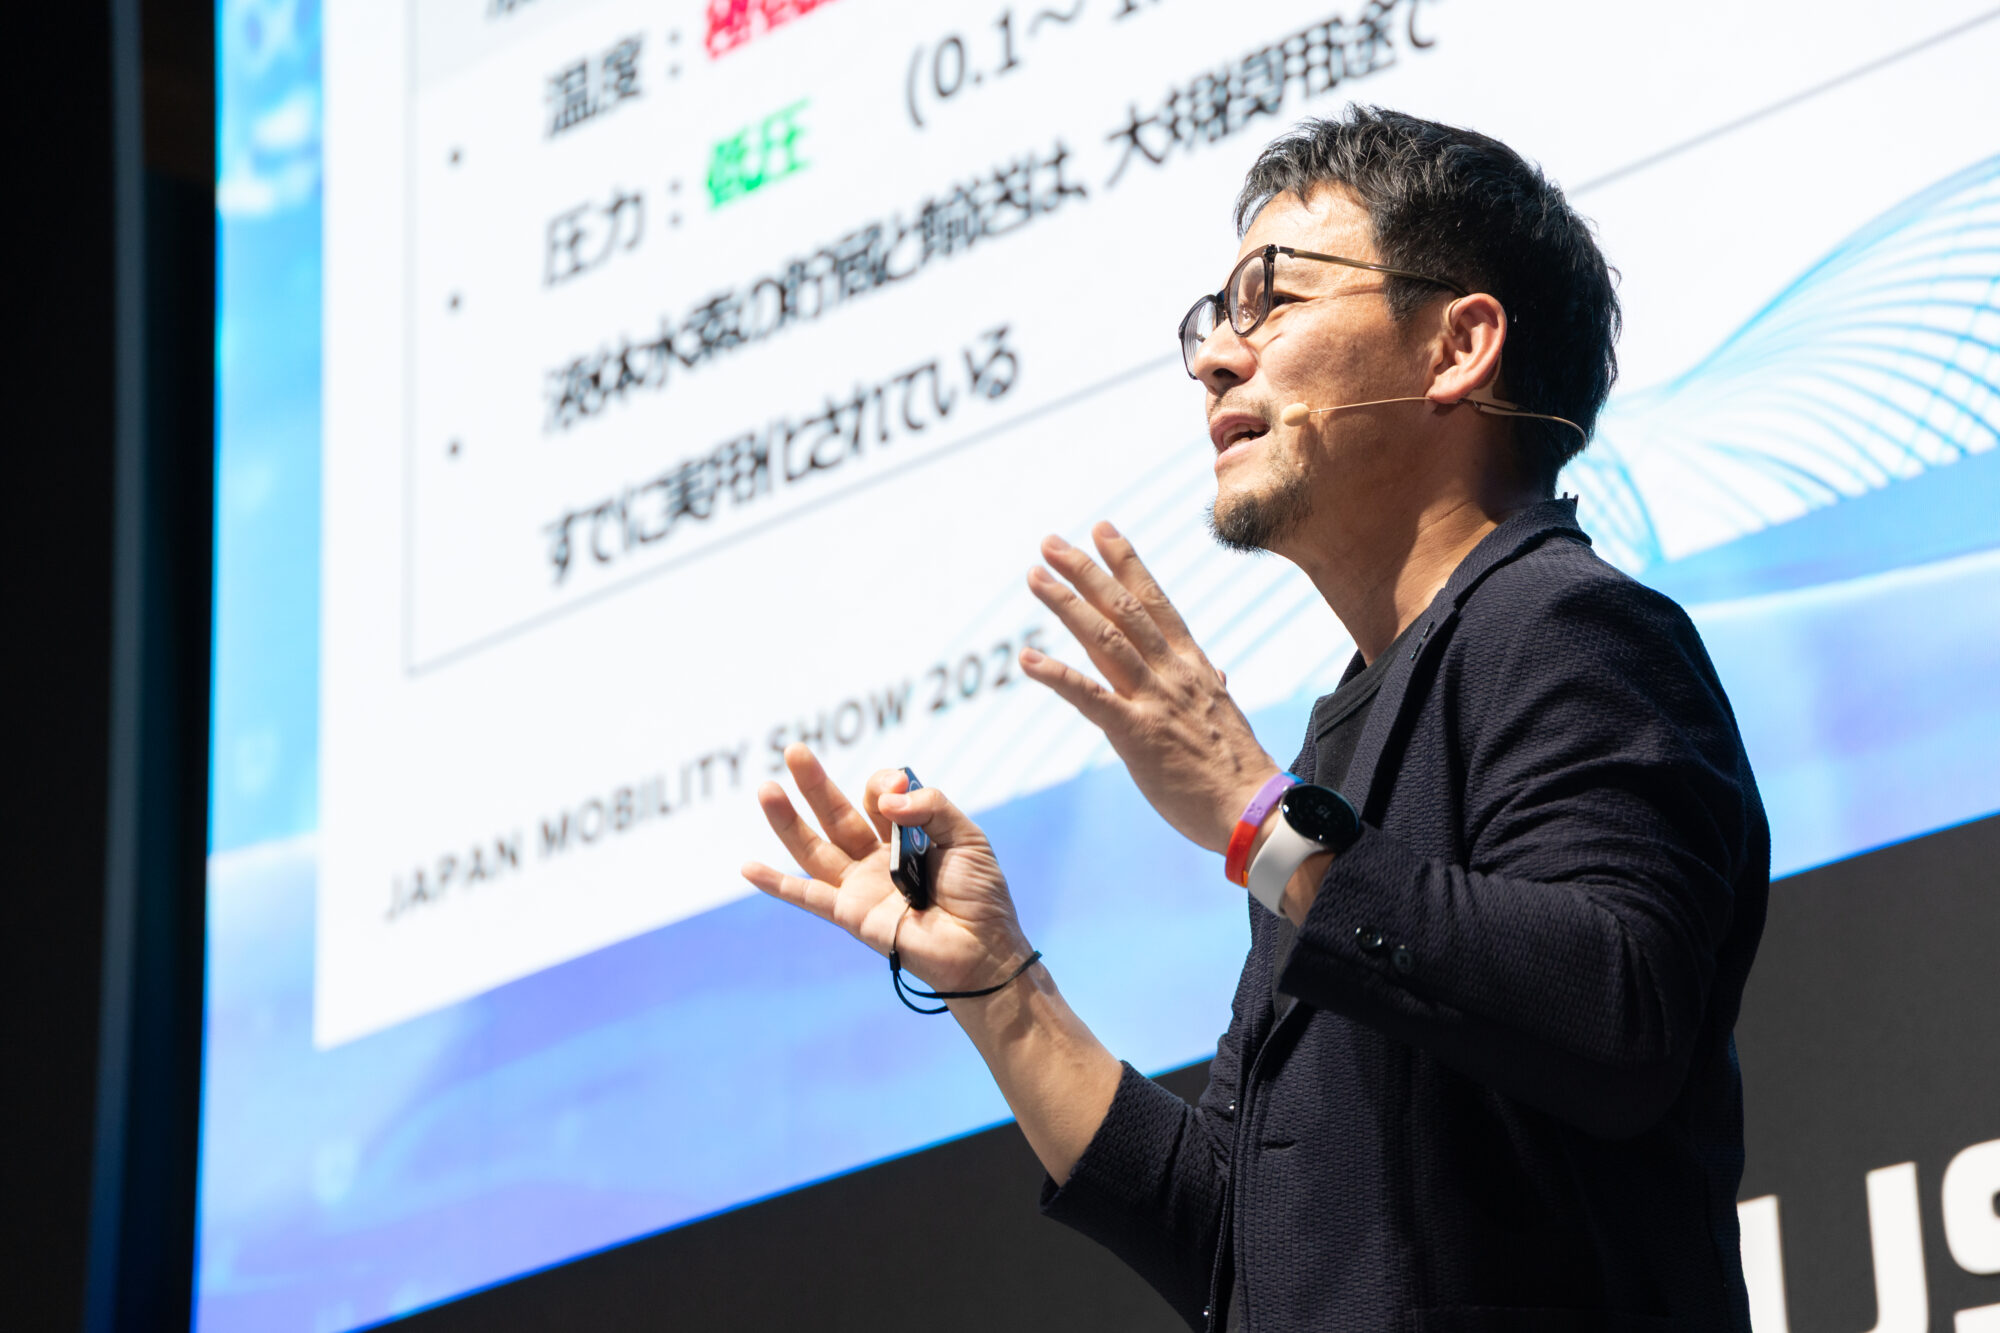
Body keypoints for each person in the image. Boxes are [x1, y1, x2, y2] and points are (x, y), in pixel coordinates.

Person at [741, 106, 1769, 1332]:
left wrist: (1257, 813)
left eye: (1270, 301)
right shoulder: (1339, 747)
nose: (1215, 360)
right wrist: (997, 983)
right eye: (1215, 319)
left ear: (1457, 346)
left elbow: (1617, 1014)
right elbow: (1241, 1241)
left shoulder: (1566, 625)